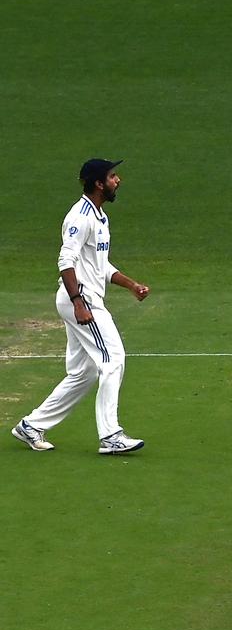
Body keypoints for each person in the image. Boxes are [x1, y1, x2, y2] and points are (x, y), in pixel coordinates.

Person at [11, 158, 149, 455]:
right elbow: (66, 261)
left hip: (84, 298)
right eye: (112, 176)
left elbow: (101, 266)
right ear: (99, 183)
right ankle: (110, 435)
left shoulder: (99, 217)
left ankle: (31, 425)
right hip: (81, 299)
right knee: (113, 358)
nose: (118, 180)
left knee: (83, 374)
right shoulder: (80, 217)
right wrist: (78, 303)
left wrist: (131, 285)